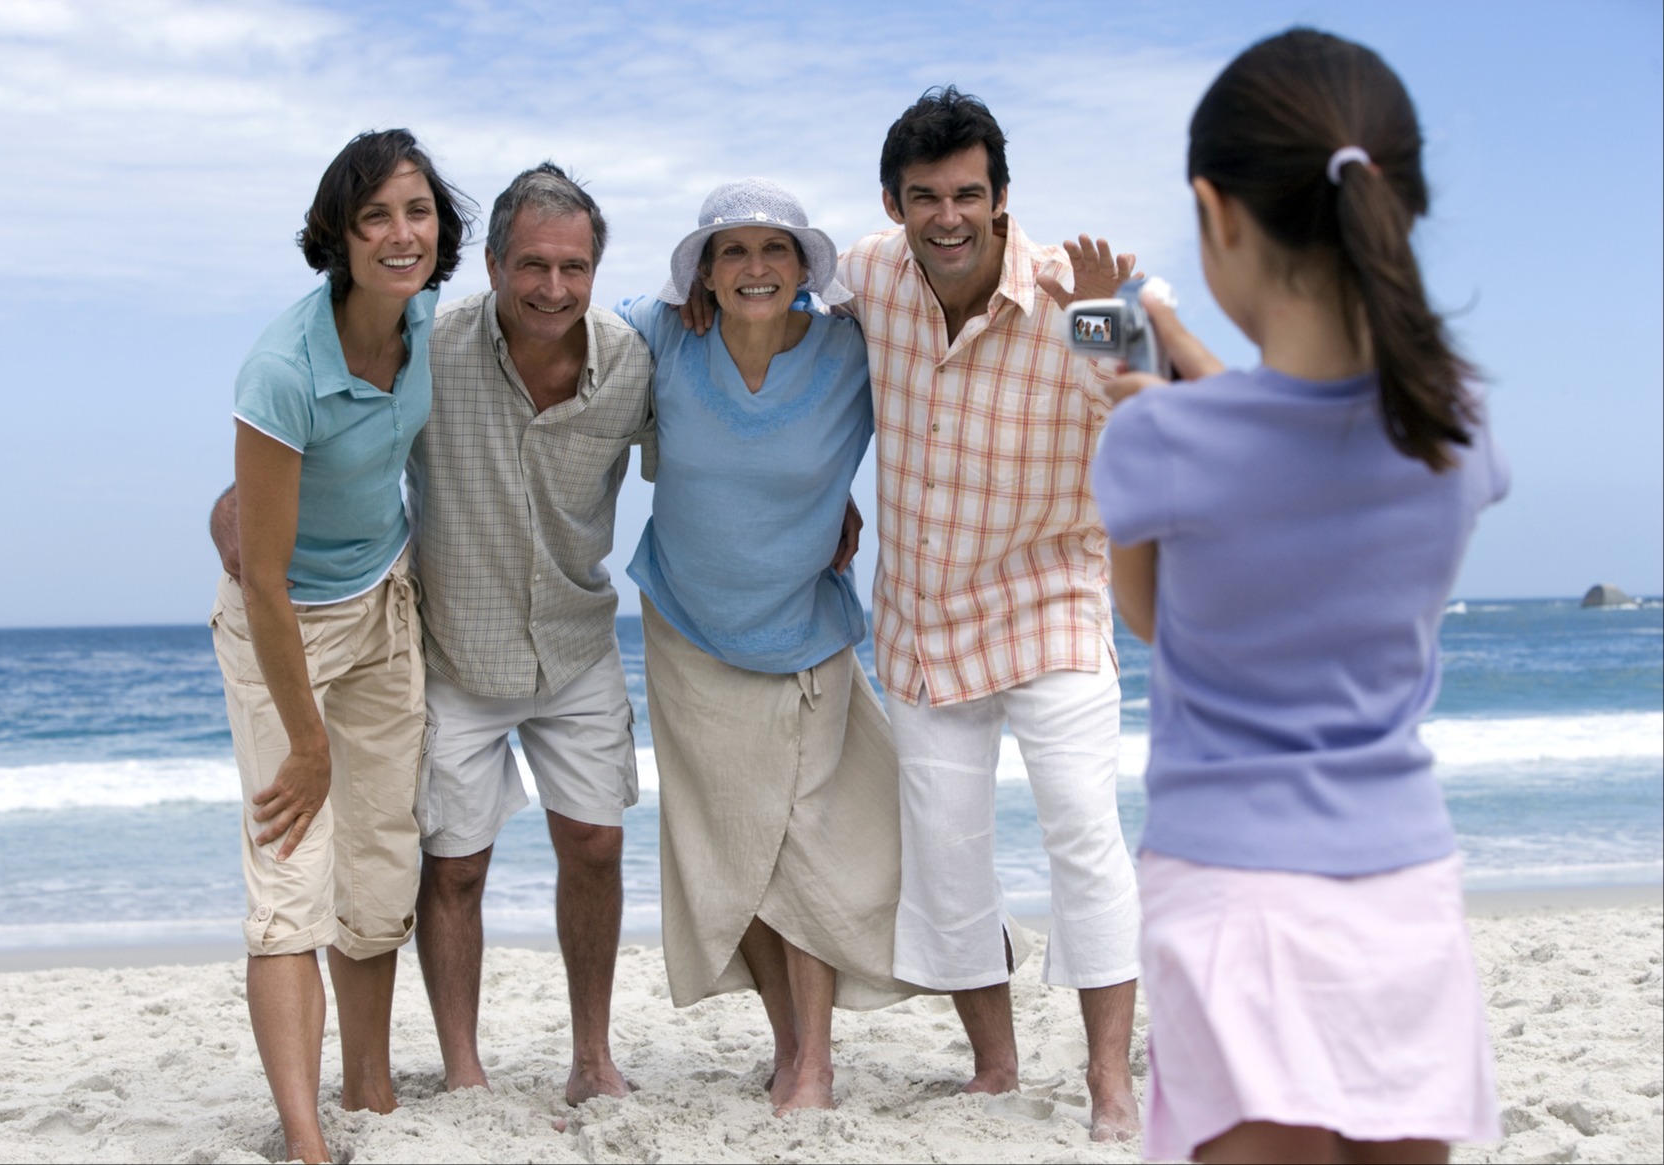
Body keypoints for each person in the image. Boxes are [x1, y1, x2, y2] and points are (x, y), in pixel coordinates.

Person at [1091, 29, 1507, 1165]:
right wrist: (1183, 357)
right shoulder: (1458, 426)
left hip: (1229, 895)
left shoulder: (1155, 439)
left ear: (1214, 212)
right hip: (1402, 890)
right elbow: (1312, 434)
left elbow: (1149, 617)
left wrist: (1159, 372)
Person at [213, 162, 655, 1107]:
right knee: (451, 866)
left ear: (596, 268)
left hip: (577, 645)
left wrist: (834, 515)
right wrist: (240, 531)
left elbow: (709, 443)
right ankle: (462, 1067)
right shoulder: (430, 346)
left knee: (596, 847)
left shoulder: (631, 361)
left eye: (574, 267)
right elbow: (319, 459)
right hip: (453, 646)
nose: (553, 288)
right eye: (531, 265)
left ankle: (591, 1057)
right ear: (491, 265)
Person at [836, 86, 1143, 1138]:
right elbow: (768, 308)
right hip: (923, 614)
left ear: (1003, 199)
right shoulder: (869, 273)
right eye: (925, 197)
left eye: (968, 193)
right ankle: (995, 1065)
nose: (948, 216)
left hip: (1052, 597)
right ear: (894, 203)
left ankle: (1110, 1082)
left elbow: (1151, 416)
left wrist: (1113, 322)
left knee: (1081, 833)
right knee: (947, 850)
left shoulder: (1074, 291)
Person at [620, 179, 913, 1116]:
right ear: (702, 271)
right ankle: (788, 1046)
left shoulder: (848, 351)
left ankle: (814, 1065)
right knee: (725, 852)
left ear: (802, 268)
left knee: (802, 849)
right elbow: (552, 324)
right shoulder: (660, 334)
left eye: (773, 249)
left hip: (802, 632)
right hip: (688, 631)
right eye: (731, 250)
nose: (754, 268)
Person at [208, 128, 472, 1164]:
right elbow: (264, 579)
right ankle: (308, 1141)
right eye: (376, 217)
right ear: (339, 235)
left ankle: (372, 1092)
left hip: (384, 607)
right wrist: (306, 741)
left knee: (377, 864)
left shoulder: (424, 319)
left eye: (417, 212)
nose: (401, 235)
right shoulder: (283, 369)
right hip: (285, 633)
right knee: (289, 881)